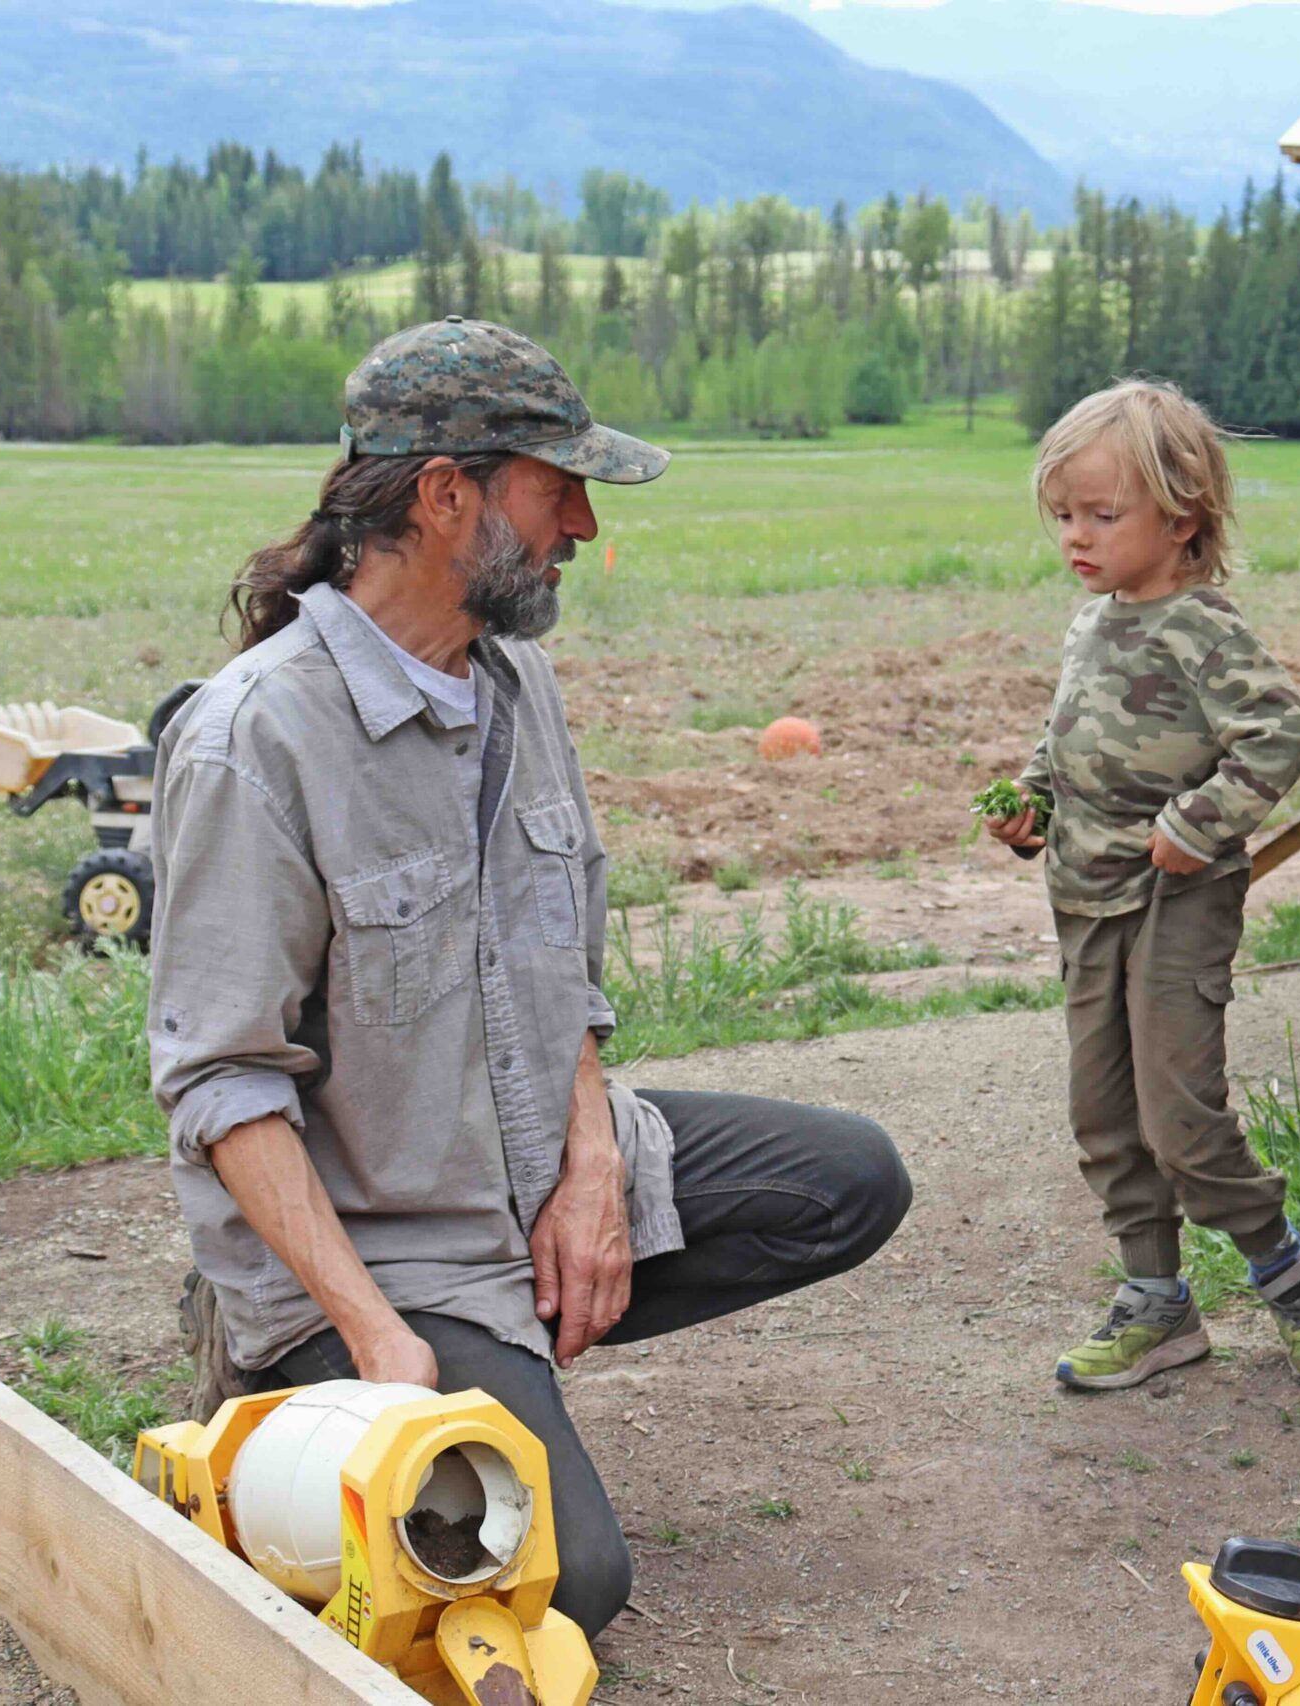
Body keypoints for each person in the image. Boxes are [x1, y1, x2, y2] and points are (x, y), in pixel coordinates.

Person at [147, 317, 911, 1638]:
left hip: (525, 1170)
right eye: (558, 488)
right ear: (446, 496)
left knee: (849, 1180)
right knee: (568, 1585)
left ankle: (501, 1387)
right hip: (391, 1254)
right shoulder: (252, 741)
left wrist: (596, 1169)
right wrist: (385, 1343)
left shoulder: (518, 685)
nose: (585, 527)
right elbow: (223, 1090)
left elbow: (559, 960)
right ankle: (292, 1392)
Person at [985, 378, 1300, 1392]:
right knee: (1103, 1115)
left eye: (1102, 514)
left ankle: (1287, 1273)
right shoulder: (1093, 622)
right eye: (1062, 513)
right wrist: (1029, 803)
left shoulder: (1202, 629)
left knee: (1181, 1120)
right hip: (1084, 894)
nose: (1075, 535)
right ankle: (1157, 1301)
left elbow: (1283, 732)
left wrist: (1195, 825)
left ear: (1181, 512)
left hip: (1173, 901)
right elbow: (1067, 740)